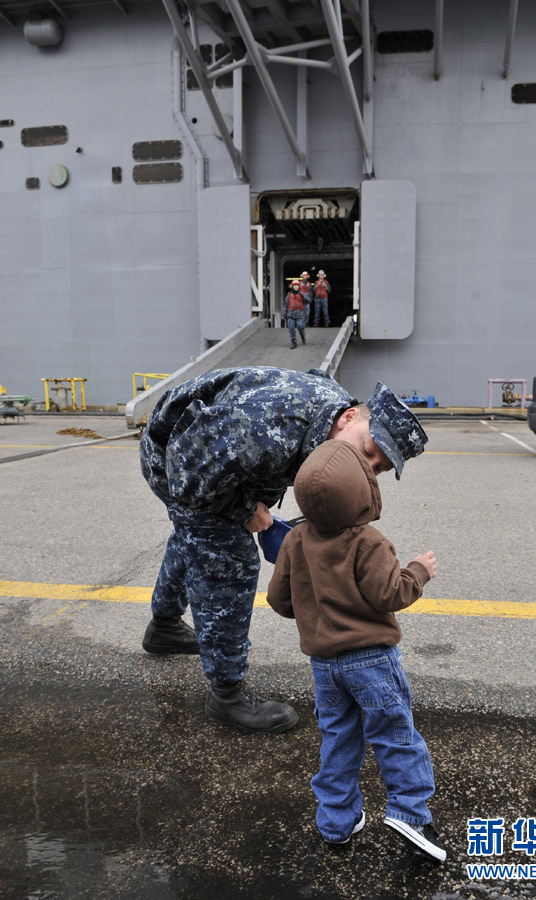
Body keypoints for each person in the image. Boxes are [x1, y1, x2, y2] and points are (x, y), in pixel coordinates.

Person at [140, 366, 428, 735]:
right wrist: (244, 510)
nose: (367, 467)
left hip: (214, 456)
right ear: (349, 416)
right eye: (369, 450)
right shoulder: (264, 426)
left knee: (196, 539)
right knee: (228, 559)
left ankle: (163, 627)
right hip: (176, 457)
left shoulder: (327, 424)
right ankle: (226, 694)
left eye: (379, 469)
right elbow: (190, 481)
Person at [266, 439, 446, 863]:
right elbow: (391, 593)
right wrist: (418, 571)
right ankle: (411, 814)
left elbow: (279, 599)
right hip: (372, 661)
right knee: (395, 735)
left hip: (324, 666)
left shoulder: (295, 540)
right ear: (363, 490)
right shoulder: (368, 541)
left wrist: (313, 607)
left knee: (338, 739)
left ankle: (336, 821)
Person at [283, 279, 307, 349]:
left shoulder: (303, 293)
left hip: (300, 314)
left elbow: (308, 301)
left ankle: (302, 336)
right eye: (294, 285)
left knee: (300, 327)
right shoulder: (289, 295)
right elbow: (286, 305)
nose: (296, 287)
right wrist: (284, 314)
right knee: (291, 328)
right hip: (291, 314)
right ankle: (294, 342)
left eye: (297, 285)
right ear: (292, 286)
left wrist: (303, 296)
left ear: (299, 286)